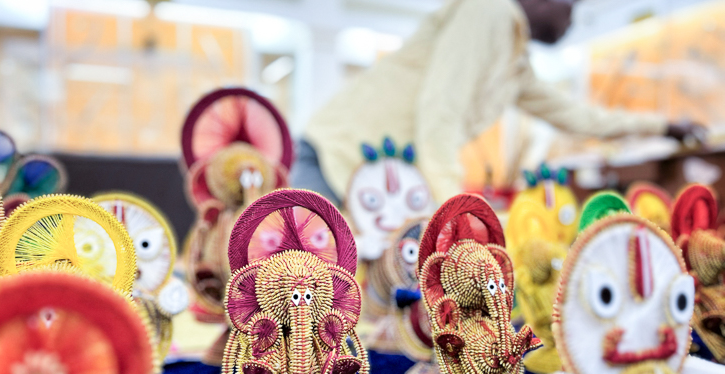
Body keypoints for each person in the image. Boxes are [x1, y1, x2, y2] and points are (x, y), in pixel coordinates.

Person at [292, 0, 705, 206]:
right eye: (571, 7)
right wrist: (452, 206)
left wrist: (664, 127)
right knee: (295, 289)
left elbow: (578, 117)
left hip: (376, 182)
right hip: (334, 156)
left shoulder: (514, 64)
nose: (572, 21)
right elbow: (441, 110)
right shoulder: (488, 11)